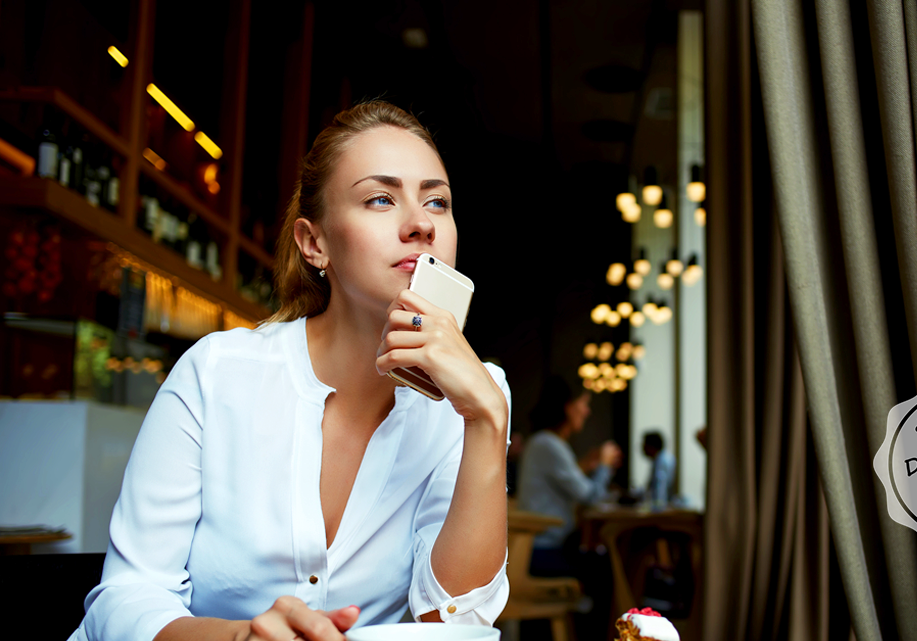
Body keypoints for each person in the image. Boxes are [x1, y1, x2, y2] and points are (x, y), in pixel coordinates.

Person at [69, 101, 511, 641]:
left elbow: (455, 623)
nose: (421, 224)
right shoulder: (217, 374)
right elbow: (126, 598)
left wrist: (486, 417)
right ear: (314, 242)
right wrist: (241, 640)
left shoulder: (474, 398)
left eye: (437, 202)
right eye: (380, 198)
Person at [515, 376, 621, 640]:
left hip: (536, 549)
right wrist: (606, 464)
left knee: (598, 562)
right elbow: (590, 496)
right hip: (541, 552)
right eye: (583, 404)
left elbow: (567, 483)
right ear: (566, 406)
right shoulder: (549, 445)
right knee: (604, 567)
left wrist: (586, 465)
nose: (586, 411)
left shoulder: (544, 442)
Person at [641, 431, 676, 508]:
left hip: (661, 509)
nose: (642, 448)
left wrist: (656, 509)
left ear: (651, 446)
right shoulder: (660, 459)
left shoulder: (662, 462)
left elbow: (660, 490)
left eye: (644, 444)